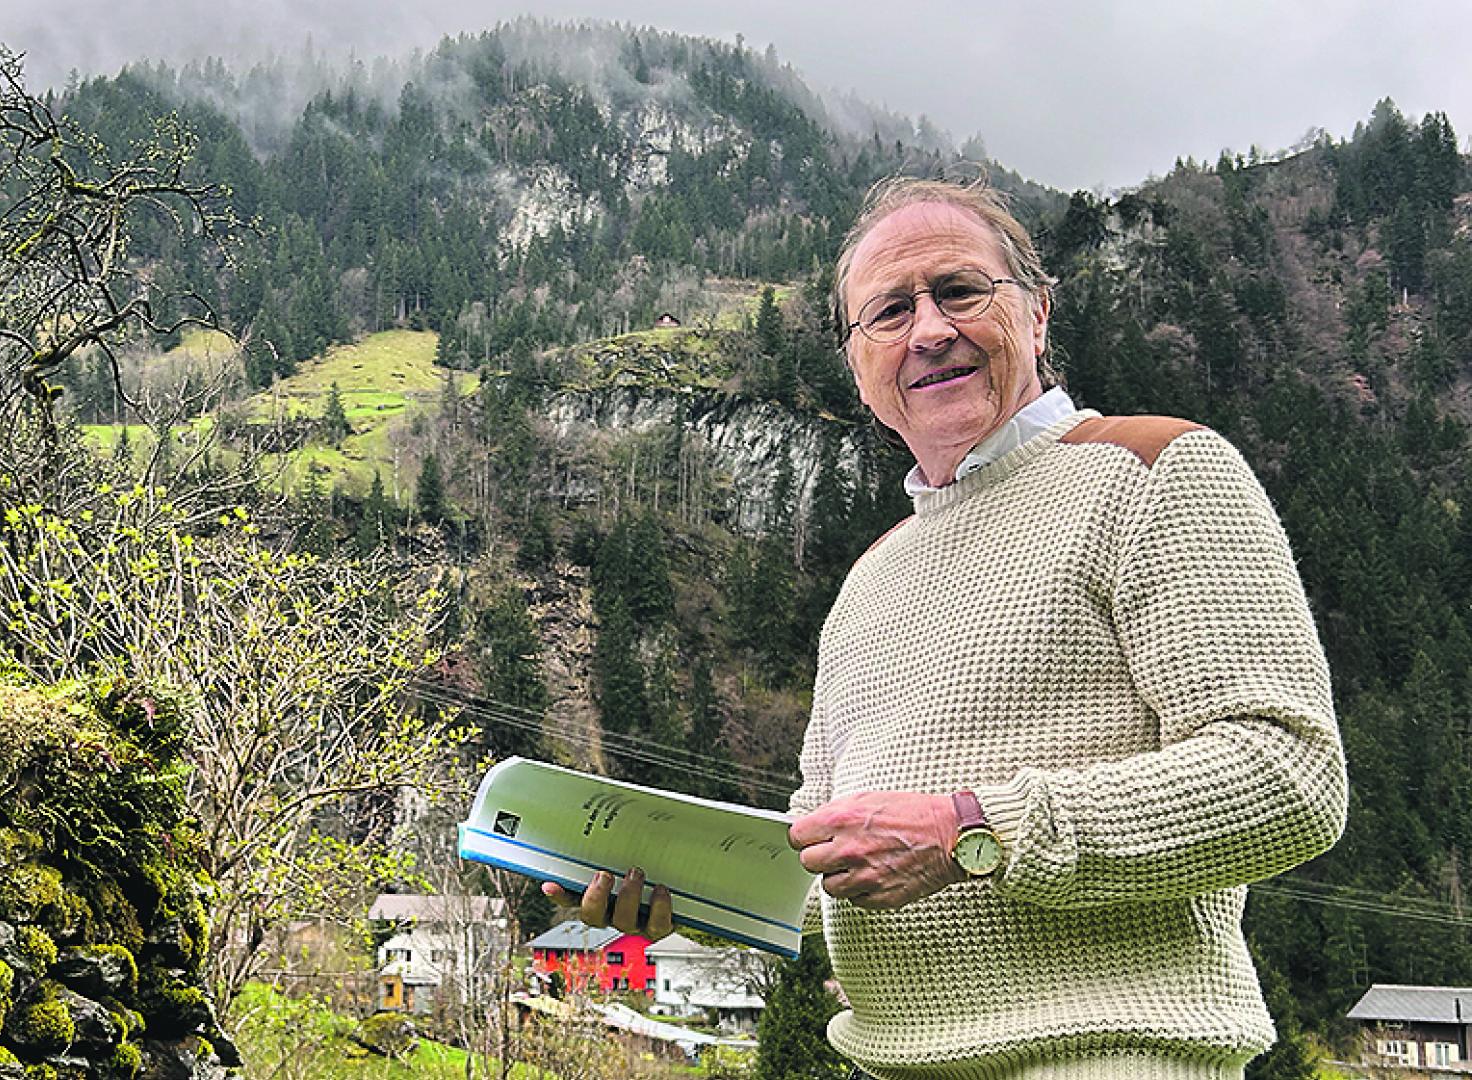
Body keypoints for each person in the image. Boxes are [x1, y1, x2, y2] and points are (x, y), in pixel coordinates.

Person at [551, 177, 1347, 1078]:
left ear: (1038, 315)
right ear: (859, 366)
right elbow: (829, 857)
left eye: (960, 292)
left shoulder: (1156, 468)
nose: (929, 329)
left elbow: (1289, 777)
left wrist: (974, 829)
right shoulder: (869, 579)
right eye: (890, 311)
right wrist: (687, 885)